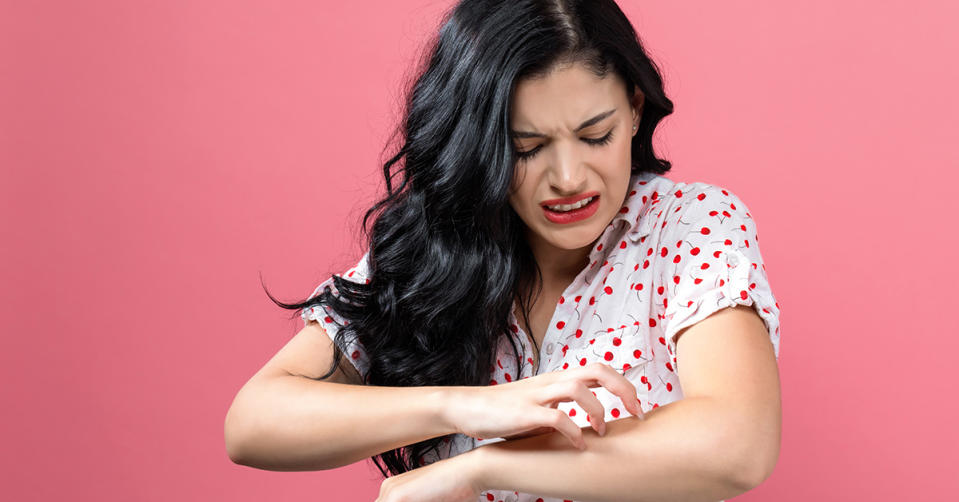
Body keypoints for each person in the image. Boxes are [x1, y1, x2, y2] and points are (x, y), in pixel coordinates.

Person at [224, 1, 782, 501]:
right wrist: (460, 405)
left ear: (634, 109)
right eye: (527, 148)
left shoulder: (686, 226)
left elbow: (738, 442)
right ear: (477, 145)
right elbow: (253, 424)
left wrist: (480, 468)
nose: (569, 177)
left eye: (595, 136)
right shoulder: (437, 248)